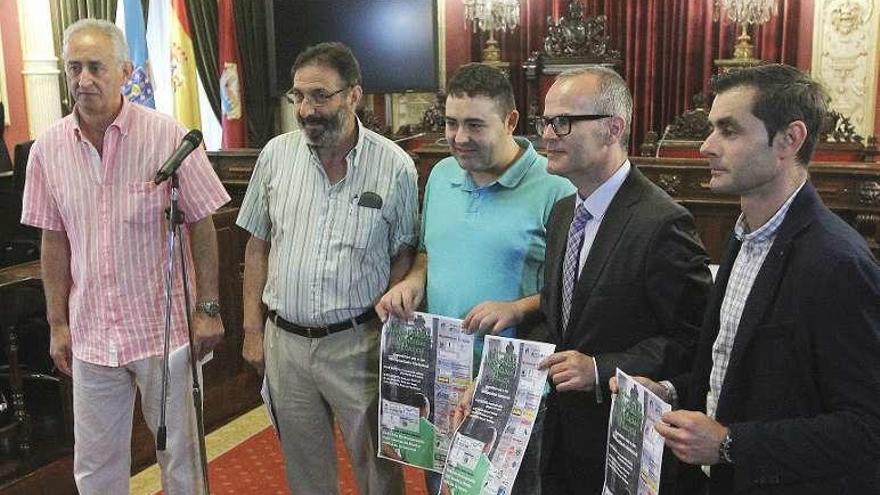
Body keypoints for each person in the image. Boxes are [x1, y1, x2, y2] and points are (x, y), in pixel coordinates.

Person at [624, 63, 880, 494]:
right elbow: (739, 375)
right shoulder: (744, 235)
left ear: (789, 139)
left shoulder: (837, 262)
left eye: (729, 130)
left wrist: (730, 444)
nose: (705, 146)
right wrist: (668, 390)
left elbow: (867, 425)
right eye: (711, 129)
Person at [20, 19, 229, 494]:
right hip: (92, 333)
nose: (83, 79)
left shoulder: (167, 137)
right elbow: (53, 241)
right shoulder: (47, 150)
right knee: (95, 468)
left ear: (125, 71)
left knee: (181, 460)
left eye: (95, 67)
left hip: (165, 329)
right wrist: (57, 323)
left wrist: (208, 308)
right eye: (74, 68)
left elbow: (202, 224)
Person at [376, 62, 573, 494]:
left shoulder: (556, 186)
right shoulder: (442, 174)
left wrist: (516, 307)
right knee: (443, 489)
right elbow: (430, 252)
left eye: (474, 125)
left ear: (510, 121)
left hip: (512, 387)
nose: (459, 138)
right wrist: (413, 281)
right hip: (441, 376)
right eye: (450, 123)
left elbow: (575, 289)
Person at [237, 41, 417, 494]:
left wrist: (389, 340)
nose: (306, 109)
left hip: (358, 345)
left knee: (378, 471)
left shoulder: (395, 166)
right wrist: (252, 331)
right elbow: (257, 246)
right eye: (298, 96)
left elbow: (404, 255)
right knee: (306, 473)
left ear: (353, 95)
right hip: (286, 345)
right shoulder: (275, 156)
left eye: (320, 96)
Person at [535, 67, 712, 495]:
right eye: (543, 122)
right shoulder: (562, 213)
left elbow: (692, 340)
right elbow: (560, 321)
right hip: (560, 433)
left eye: (563, 122)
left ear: (613, 128)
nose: (547, 135)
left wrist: (599, 368)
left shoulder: (662, 222)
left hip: (622, 437)